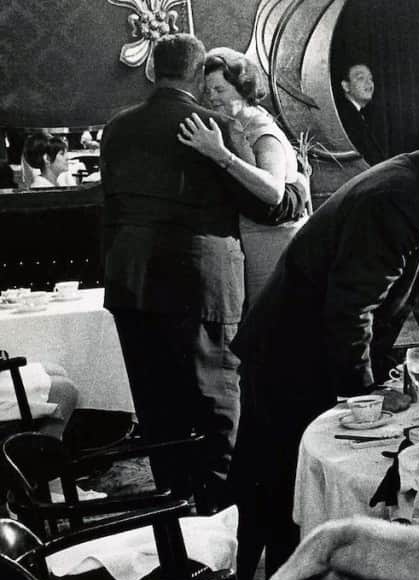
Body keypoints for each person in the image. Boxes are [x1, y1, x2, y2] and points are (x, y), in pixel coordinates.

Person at [228, 110, 419, 580]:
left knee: (276, 481)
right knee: (269, 482)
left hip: (303, 346)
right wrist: (362, 397)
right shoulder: (398, 197)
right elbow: (351, 308)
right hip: (288, 354)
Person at [101, 33, 307, 508]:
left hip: (130, 280)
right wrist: (297, 188)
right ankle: (218, 508)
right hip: (201, 283)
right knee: (216, 401)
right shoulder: (214, 128)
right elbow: (267, 208)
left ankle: (173, 503)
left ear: (153, 72)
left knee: (156, 403)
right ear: (196, 76)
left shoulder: (116, 128)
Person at [178, 47, 309, 305]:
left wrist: (220, 154)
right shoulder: (239, 125)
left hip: (273, 246)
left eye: (220, 90)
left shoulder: (262, 131)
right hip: (254, 242)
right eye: (208, 91)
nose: (212, 98)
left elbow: (273, 192)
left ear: (242, 88)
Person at [336, 63, 385, 165]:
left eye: (370, 78)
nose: (369, 83)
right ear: (346, 86)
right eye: (361, 78)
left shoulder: (359, 114)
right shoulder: (344, 118)